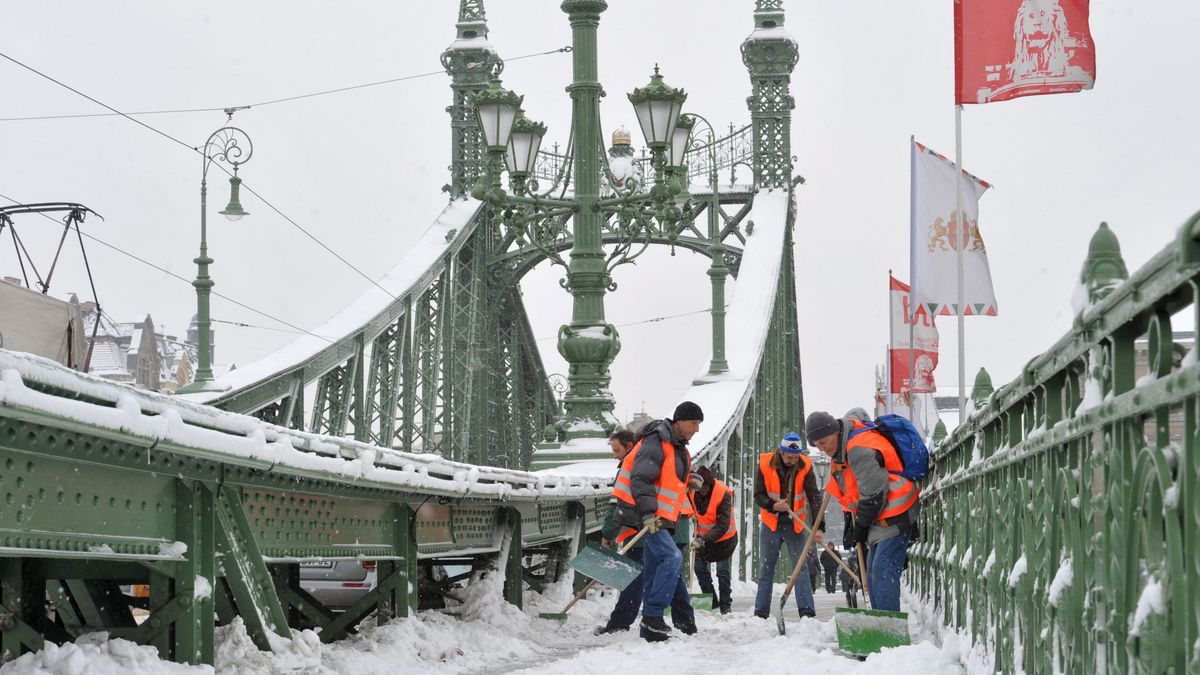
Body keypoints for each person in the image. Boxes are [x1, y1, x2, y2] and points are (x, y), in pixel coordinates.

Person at [806, 410, 919, 613]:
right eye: (817, 445)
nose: (822, 449)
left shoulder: (857, 448)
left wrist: (861, 527)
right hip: (882, 516)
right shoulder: (842, 451)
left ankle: (889, 628)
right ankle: (879, 622)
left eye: (824, 441)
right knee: (871, 571)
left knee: (882, 571)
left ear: (835, 431)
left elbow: (874, 494)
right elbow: (845, 489)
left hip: (896, 510)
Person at [612, 402, 704, 642]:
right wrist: (648, 514)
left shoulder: (677, 446)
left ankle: (649, 632)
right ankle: (652, 616)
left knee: (654, 567)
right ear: (680, 420)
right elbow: (642, 478)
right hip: (649, 515)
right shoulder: (657, 441)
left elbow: (666, 480)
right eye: (694, 423)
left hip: (661, 516)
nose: (696, 429)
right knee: (671, 557)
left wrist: (690, 479)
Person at [596, 430, 694, 636]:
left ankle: (621, 624)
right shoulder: (661, 455)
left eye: (617, 450)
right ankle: (684, 624)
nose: (614, 455)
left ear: (630, 446)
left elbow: (619, 503)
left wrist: (607, 533)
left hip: (650, 527)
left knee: (634, 580)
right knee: (671, 577)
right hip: (674, 524)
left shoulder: (635, 463)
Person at [752, 432, 822, 620]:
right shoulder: (765, 464)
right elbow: (758, 494)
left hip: (795, 524)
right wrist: (772, 505)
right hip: (771, 522)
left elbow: (815, 497)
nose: (793, 460)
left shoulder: (805, 466)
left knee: (801, 568)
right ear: (781, 452)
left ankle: (807, 612)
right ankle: (760, 613)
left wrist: (819, 527)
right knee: (766, 569)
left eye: (796, 456)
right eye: (789, 457)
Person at [688, 466, 738, 614]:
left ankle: (725, 606)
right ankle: (712, 603)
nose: (701, 491)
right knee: (699, 568)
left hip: (725, 539)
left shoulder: (723, 494)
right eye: (699, 488)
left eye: (705, 488)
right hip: (703, 539)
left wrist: (703, 539)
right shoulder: (692, 490)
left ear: (710, 486)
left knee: (722, 572)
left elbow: (723, 526)